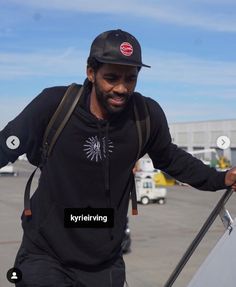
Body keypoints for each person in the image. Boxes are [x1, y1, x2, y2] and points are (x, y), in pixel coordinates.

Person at [0, 29, 236, 287]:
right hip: (45, 255)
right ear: (91, 72)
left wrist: (221, 177)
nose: (122, 88)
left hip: (105, 263)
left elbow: (170, 158)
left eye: (130, 79)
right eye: (111, 78)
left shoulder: (145, 116)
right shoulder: (54, 104)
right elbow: (6, 145)